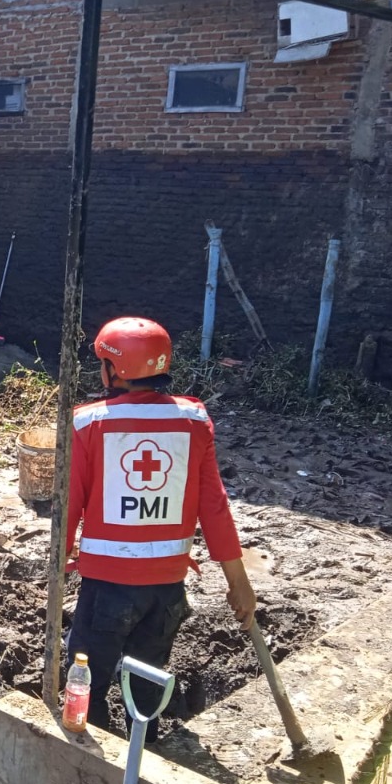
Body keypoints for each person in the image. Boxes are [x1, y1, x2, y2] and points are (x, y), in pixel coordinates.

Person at [65, 316, 257, 741]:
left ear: (114, 370)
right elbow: (216, 508)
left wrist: (59, 562)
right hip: (167, 590)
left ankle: (88, 761)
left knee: (86, 684)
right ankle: (145, 756)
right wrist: (238, 582)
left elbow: (69, 506)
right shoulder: (193, 420)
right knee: (146, 685)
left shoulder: (88, 422)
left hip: (105, 590)